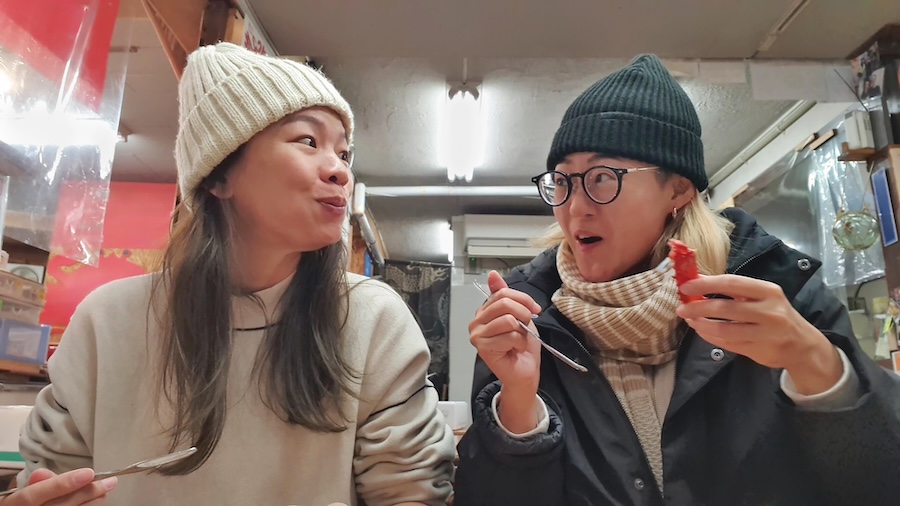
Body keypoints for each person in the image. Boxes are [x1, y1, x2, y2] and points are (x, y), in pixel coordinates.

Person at [17, 42, 454, 505]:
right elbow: (49, 477)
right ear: (218, 176)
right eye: (308, 141)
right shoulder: (107, 321)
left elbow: (412, 492)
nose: (340, 171)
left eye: (344, 153)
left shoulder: (371, 319)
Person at [454, 55, 900, 505]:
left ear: (679, 189)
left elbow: (880, 479)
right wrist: (517, 403)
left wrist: (813, 363)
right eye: (563, 181)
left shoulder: (781, 294)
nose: (576, 208)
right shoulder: (528, 319)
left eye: (603, 177)